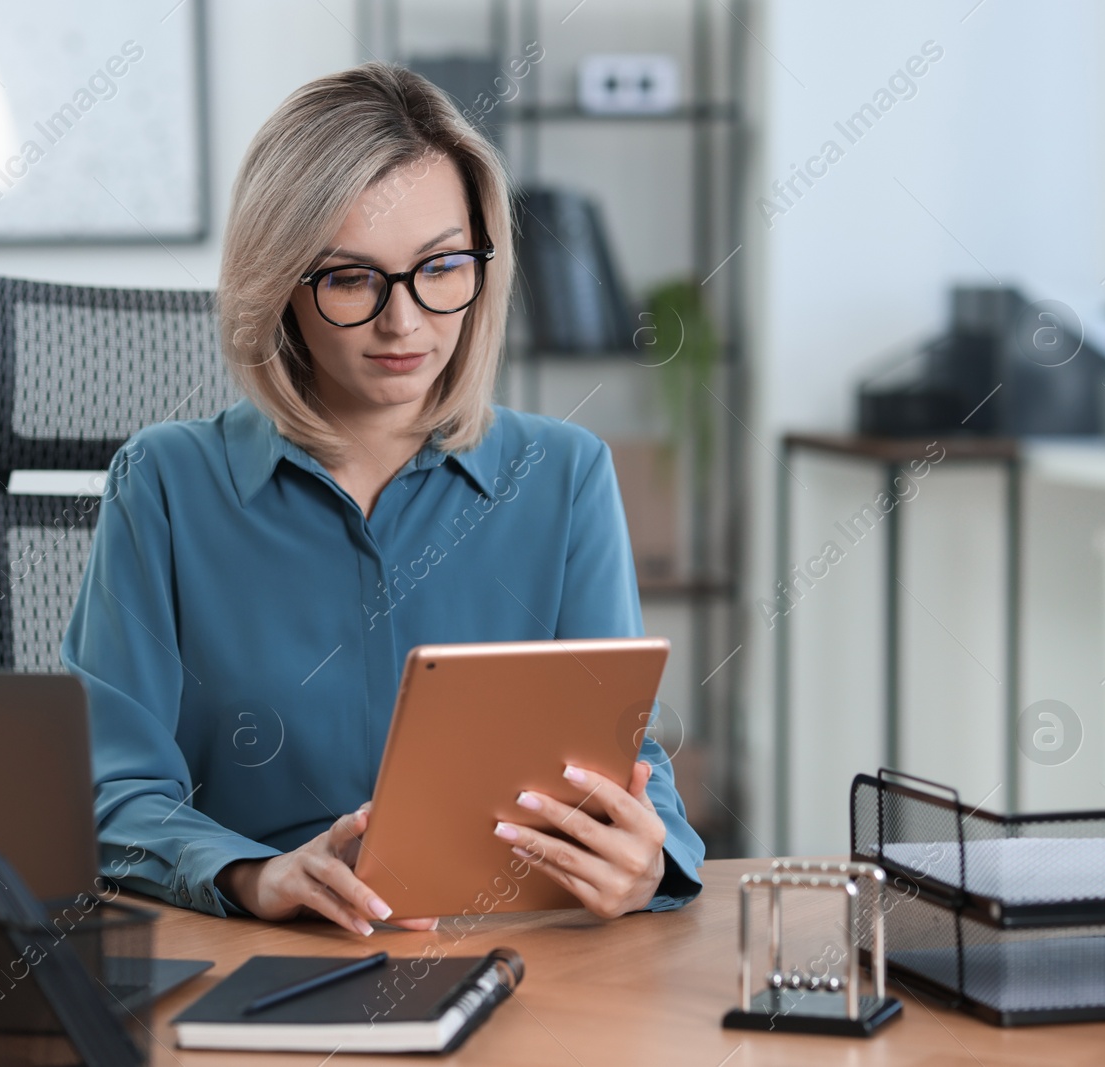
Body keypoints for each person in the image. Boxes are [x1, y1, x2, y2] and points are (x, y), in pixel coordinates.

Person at [62, 61, 703, 937]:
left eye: (440, 266)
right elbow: (110, 791)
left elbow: (624, 762)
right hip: (256, 960)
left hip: (516, 964)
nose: (406, 323)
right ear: (281, 284)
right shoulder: (165, 485)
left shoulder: (565, 475)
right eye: (352, 279)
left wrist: (647, 857)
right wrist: (255, 873)